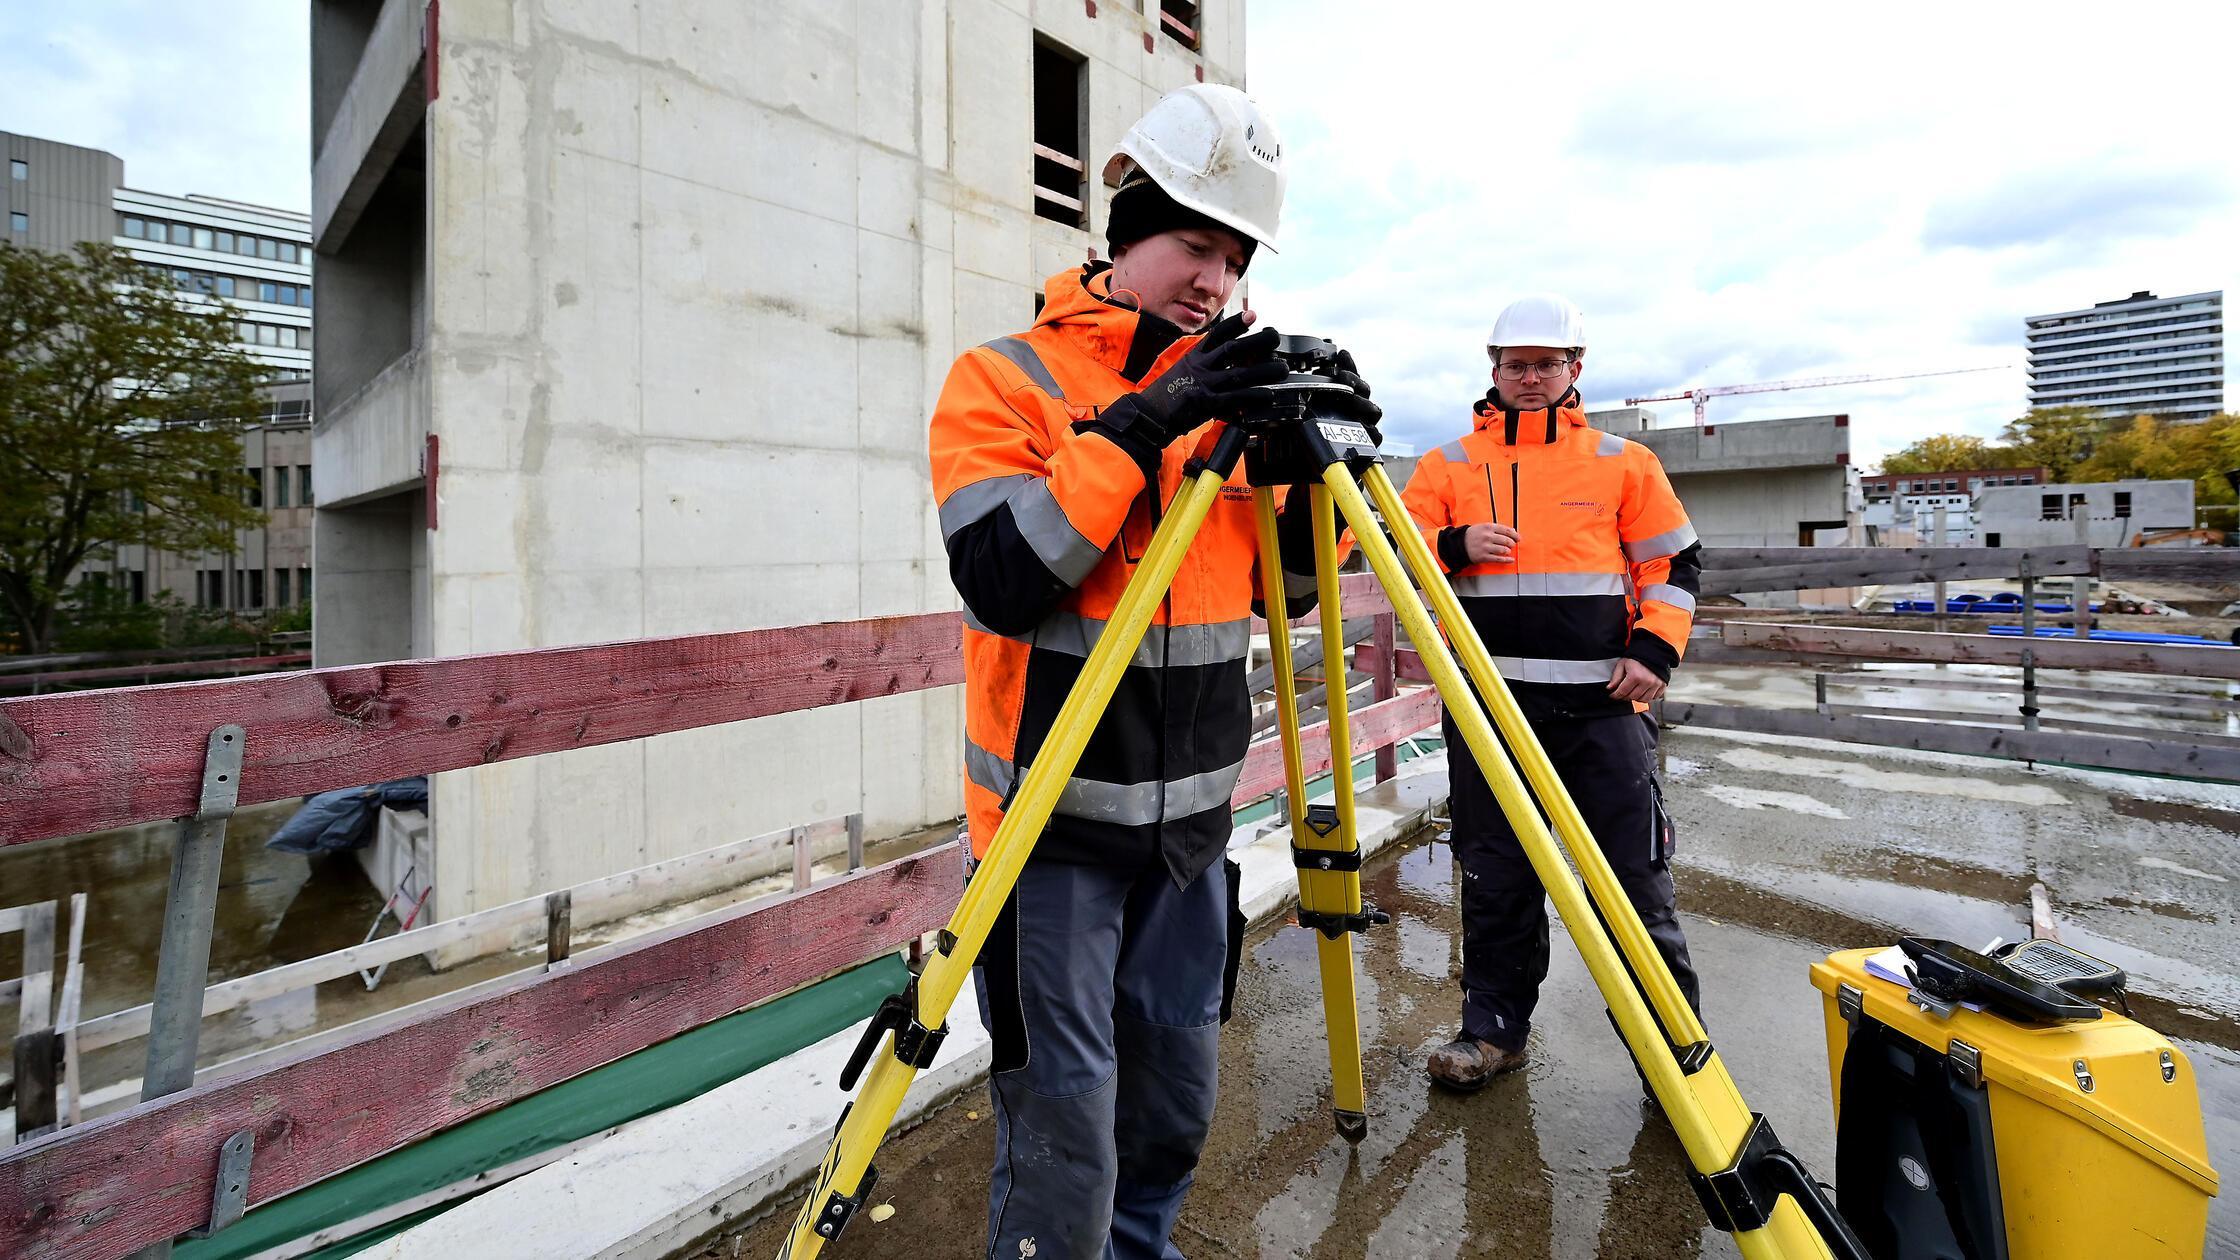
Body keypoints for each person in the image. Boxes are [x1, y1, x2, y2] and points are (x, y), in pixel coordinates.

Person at [927, 83, 1371, 1259]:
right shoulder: (1002, 380)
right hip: (1049, 840)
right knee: (1067, 1134)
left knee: (1170, 1108)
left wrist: (1321, 469)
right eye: (1193, 246)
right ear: (1122, 231)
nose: (1213, 283)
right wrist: (1138, 423)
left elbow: (1289, 589)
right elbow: (1002, 575)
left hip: (1186, 837)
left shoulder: (1223, 400)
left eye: (1233, 260)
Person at [1398, 294, 1703, 1091]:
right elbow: (1391, 552)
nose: (1530, 378)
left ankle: (1673, 1048)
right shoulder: (1447, 467)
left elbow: (1674, 565)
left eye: (1546, 364)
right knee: (1497, 878)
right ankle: (1492, 1034)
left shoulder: (1622, 462)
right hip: (1489, 715)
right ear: (1492, 369)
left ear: (1576, 369)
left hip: (1602, 713)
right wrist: (1452, 544)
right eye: (1516, 364)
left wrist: (1654, 651)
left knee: (1633, 883)